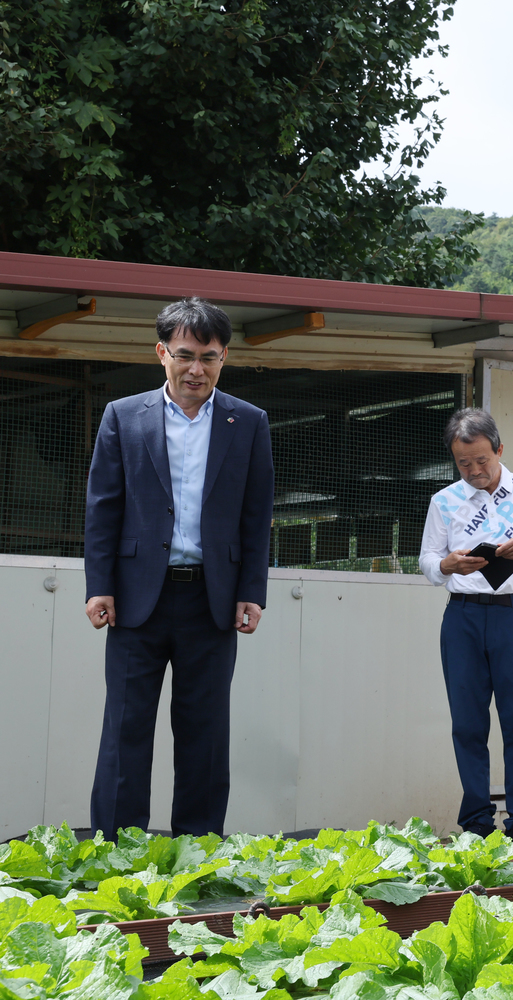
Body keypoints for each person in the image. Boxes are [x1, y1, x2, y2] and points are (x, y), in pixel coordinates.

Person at [85, 297, 274, 838]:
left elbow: (257, 516)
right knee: (124, 729)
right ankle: (116, 854)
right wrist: (99, 586)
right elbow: (104, 508)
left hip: (211, 601)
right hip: (135, 598)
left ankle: (198, 853)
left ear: (224, 358)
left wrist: (251, 591)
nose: (198, 369)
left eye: (210, 358)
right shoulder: (123, 417)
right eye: (186, 355)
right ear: (162, 353)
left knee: (205, 733)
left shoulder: (249, 422)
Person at [420, 408, 513, 842]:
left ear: (499, 450)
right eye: (464, 463)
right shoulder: (444, 500)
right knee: (467, 721)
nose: (474, 471)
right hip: (462, 616)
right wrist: (446, 564)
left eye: (482, 460)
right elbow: (427, 561)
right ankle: (476, 821)